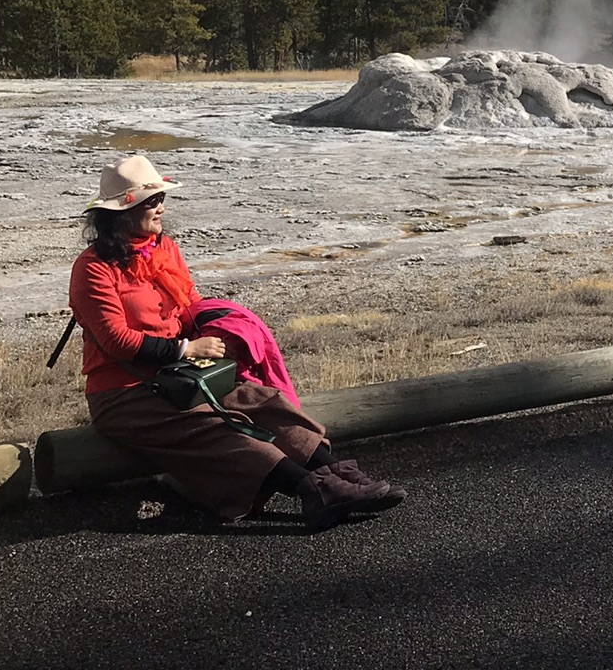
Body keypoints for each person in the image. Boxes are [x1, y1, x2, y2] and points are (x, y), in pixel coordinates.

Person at [69, 153, 404, 530]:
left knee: (257, 399)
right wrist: (185, 349)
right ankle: (316, 492)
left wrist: (219, 331)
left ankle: (336, 472)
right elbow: (116, 341)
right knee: (216, 426)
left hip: (179, 376)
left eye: (161, 198)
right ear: (121, 212)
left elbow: (187, 307)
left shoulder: (163, 249)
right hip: (125, 394)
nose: (160, 206)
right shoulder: (93, 268)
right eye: (151, 201)